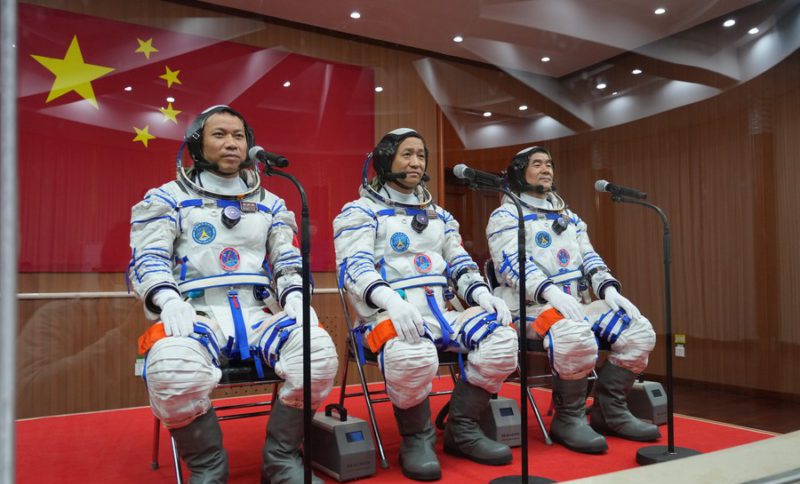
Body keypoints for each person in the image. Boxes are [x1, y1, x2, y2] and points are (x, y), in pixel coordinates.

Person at [129, 105, 338, 483]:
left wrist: (295, 296)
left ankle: (281, 459)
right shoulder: (167, 198)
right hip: (196, 314)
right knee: (173, 367)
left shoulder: (271, 204)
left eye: (238, 136)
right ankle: (208, 466)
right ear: (197, 144)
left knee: (317, 353)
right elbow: (148, 258)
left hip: (257, 312)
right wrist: (168, 299)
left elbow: (288, 258)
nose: (231, 143)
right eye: (219, 134)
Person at [333, 128, 518, 481]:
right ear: (385, 160)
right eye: (407, 154)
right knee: (411, 354)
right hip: (385, 316)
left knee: (502, 339)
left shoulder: (440, 217)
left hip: (442, 315)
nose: (416, 162)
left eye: (420, 155)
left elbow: (460, 264)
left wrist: (482, 295)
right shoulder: (359, 213)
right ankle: (417, 439)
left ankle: (463, 429)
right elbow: (354, 268)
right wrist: (390, 300)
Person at [486, 146, 660, 454]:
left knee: (638, 330)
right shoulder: (506, 216)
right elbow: (513, 264)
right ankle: (568, 418)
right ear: (518, 172)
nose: (546, 169)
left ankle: (610, 411)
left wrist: (608, 290)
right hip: (528, 307)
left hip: (575, 304)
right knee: (573, 333)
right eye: (537, 164)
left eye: (549, 164)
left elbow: (589, 257)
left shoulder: (568, 216)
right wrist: (549, 292)